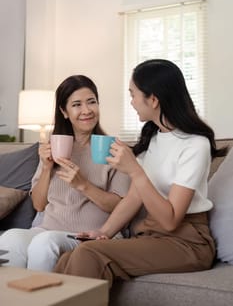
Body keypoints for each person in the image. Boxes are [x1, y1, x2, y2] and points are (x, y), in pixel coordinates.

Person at [53, 59, 228, 288]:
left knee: (89, 255)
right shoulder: (154, 139)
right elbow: (134, 198)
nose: (132, 102)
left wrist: (135, 170)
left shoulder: (195, 145)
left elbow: (170, 220)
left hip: (187, 242)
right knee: (71, 256)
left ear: (153, 99)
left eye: (133, 94)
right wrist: (103, 232)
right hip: (150, 236)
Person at [0, 75, 130, 271]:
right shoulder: (55, 148)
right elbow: (39, 204)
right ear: (64, 111)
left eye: (91, 102)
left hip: (88, 234)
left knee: (44, 244)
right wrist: (45, 168)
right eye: (77, 104)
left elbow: (119, 206)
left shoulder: (114, 149)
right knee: (9, 238)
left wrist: (83, 185)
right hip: (48, 229)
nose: (86, 110)